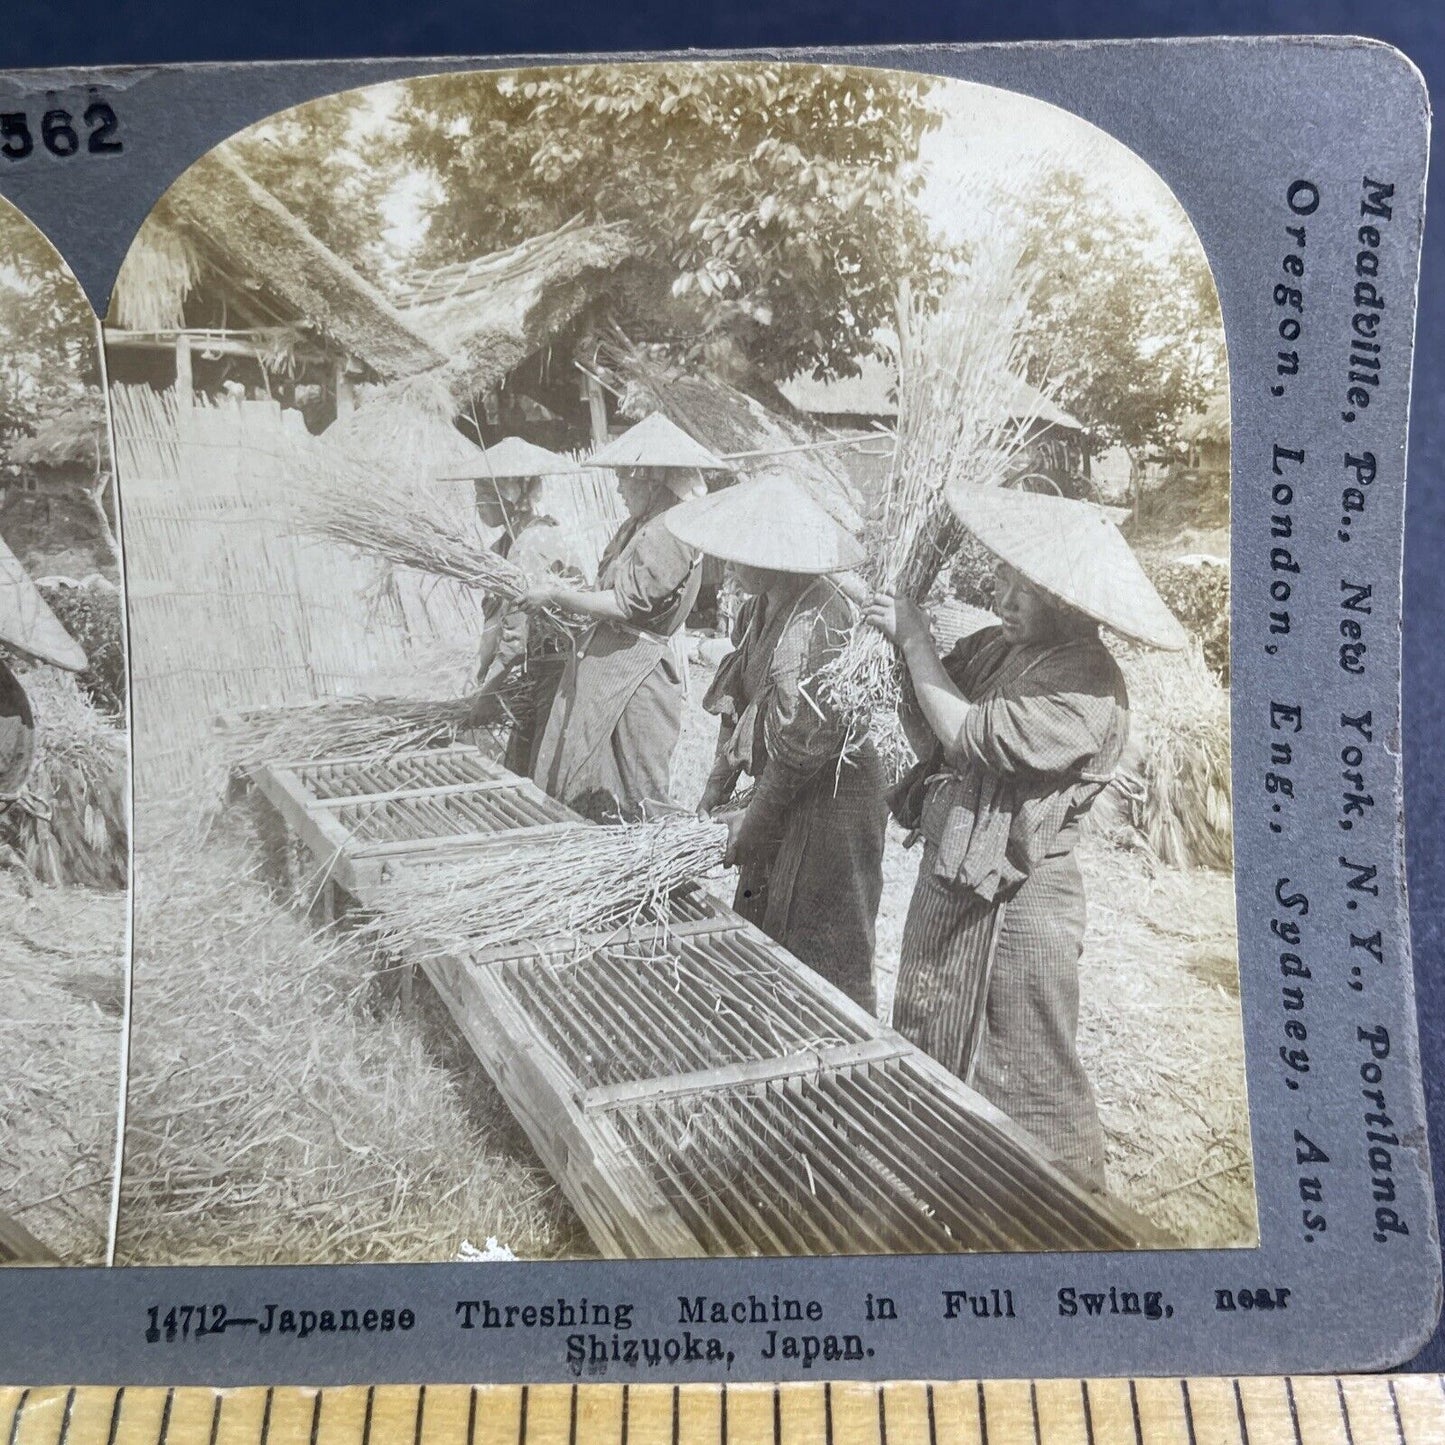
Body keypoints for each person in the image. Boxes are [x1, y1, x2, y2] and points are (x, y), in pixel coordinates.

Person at [864, 486, 1186, 1190]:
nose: (1002, 597)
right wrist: (894, 647)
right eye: (1002, 576)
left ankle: (1071, 1204)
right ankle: (956, 1188)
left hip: (1024, 902)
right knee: (937, 1027)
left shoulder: (1087, 684)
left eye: (1024, 589)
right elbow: (935, 723)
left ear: (1068, 602)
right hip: (959, 881)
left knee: (1027, 1062)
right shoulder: (1002, 648)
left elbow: (968, 735)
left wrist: (914, 640)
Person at [668, 473, 888, 1011]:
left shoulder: (818, 623)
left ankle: (831, 1039)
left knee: (819, 938)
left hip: (833, 797)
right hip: (783, 786)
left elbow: (796, 751)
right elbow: (735, 698)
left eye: (743, 552)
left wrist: (754, 822)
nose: (729, 563)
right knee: (762, 909)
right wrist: (715, 788)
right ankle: (762, 1019)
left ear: (779, 555)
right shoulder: (757, 607)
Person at [526, 455, 707, 819]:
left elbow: (626, 603)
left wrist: (557, 596)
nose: (619, 488)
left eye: (625, 477)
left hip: (636, 672)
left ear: (652, 478)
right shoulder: (636, 526)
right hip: (608, 664)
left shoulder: (670, 530)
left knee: (638, 788)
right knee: (588, 774)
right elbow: (605, 589)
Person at [466, 452, 587, 777]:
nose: (478, 504)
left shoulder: (532, 544)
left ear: (509, 496)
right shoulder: (505, 546)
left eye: (484, 493)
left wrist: (487, 693)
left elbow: (515, 635)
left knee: (541, 769)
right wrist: (480, 674)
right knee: (520, 763)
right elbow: (495, 620)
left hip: (560, 668)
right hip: (537, 667)